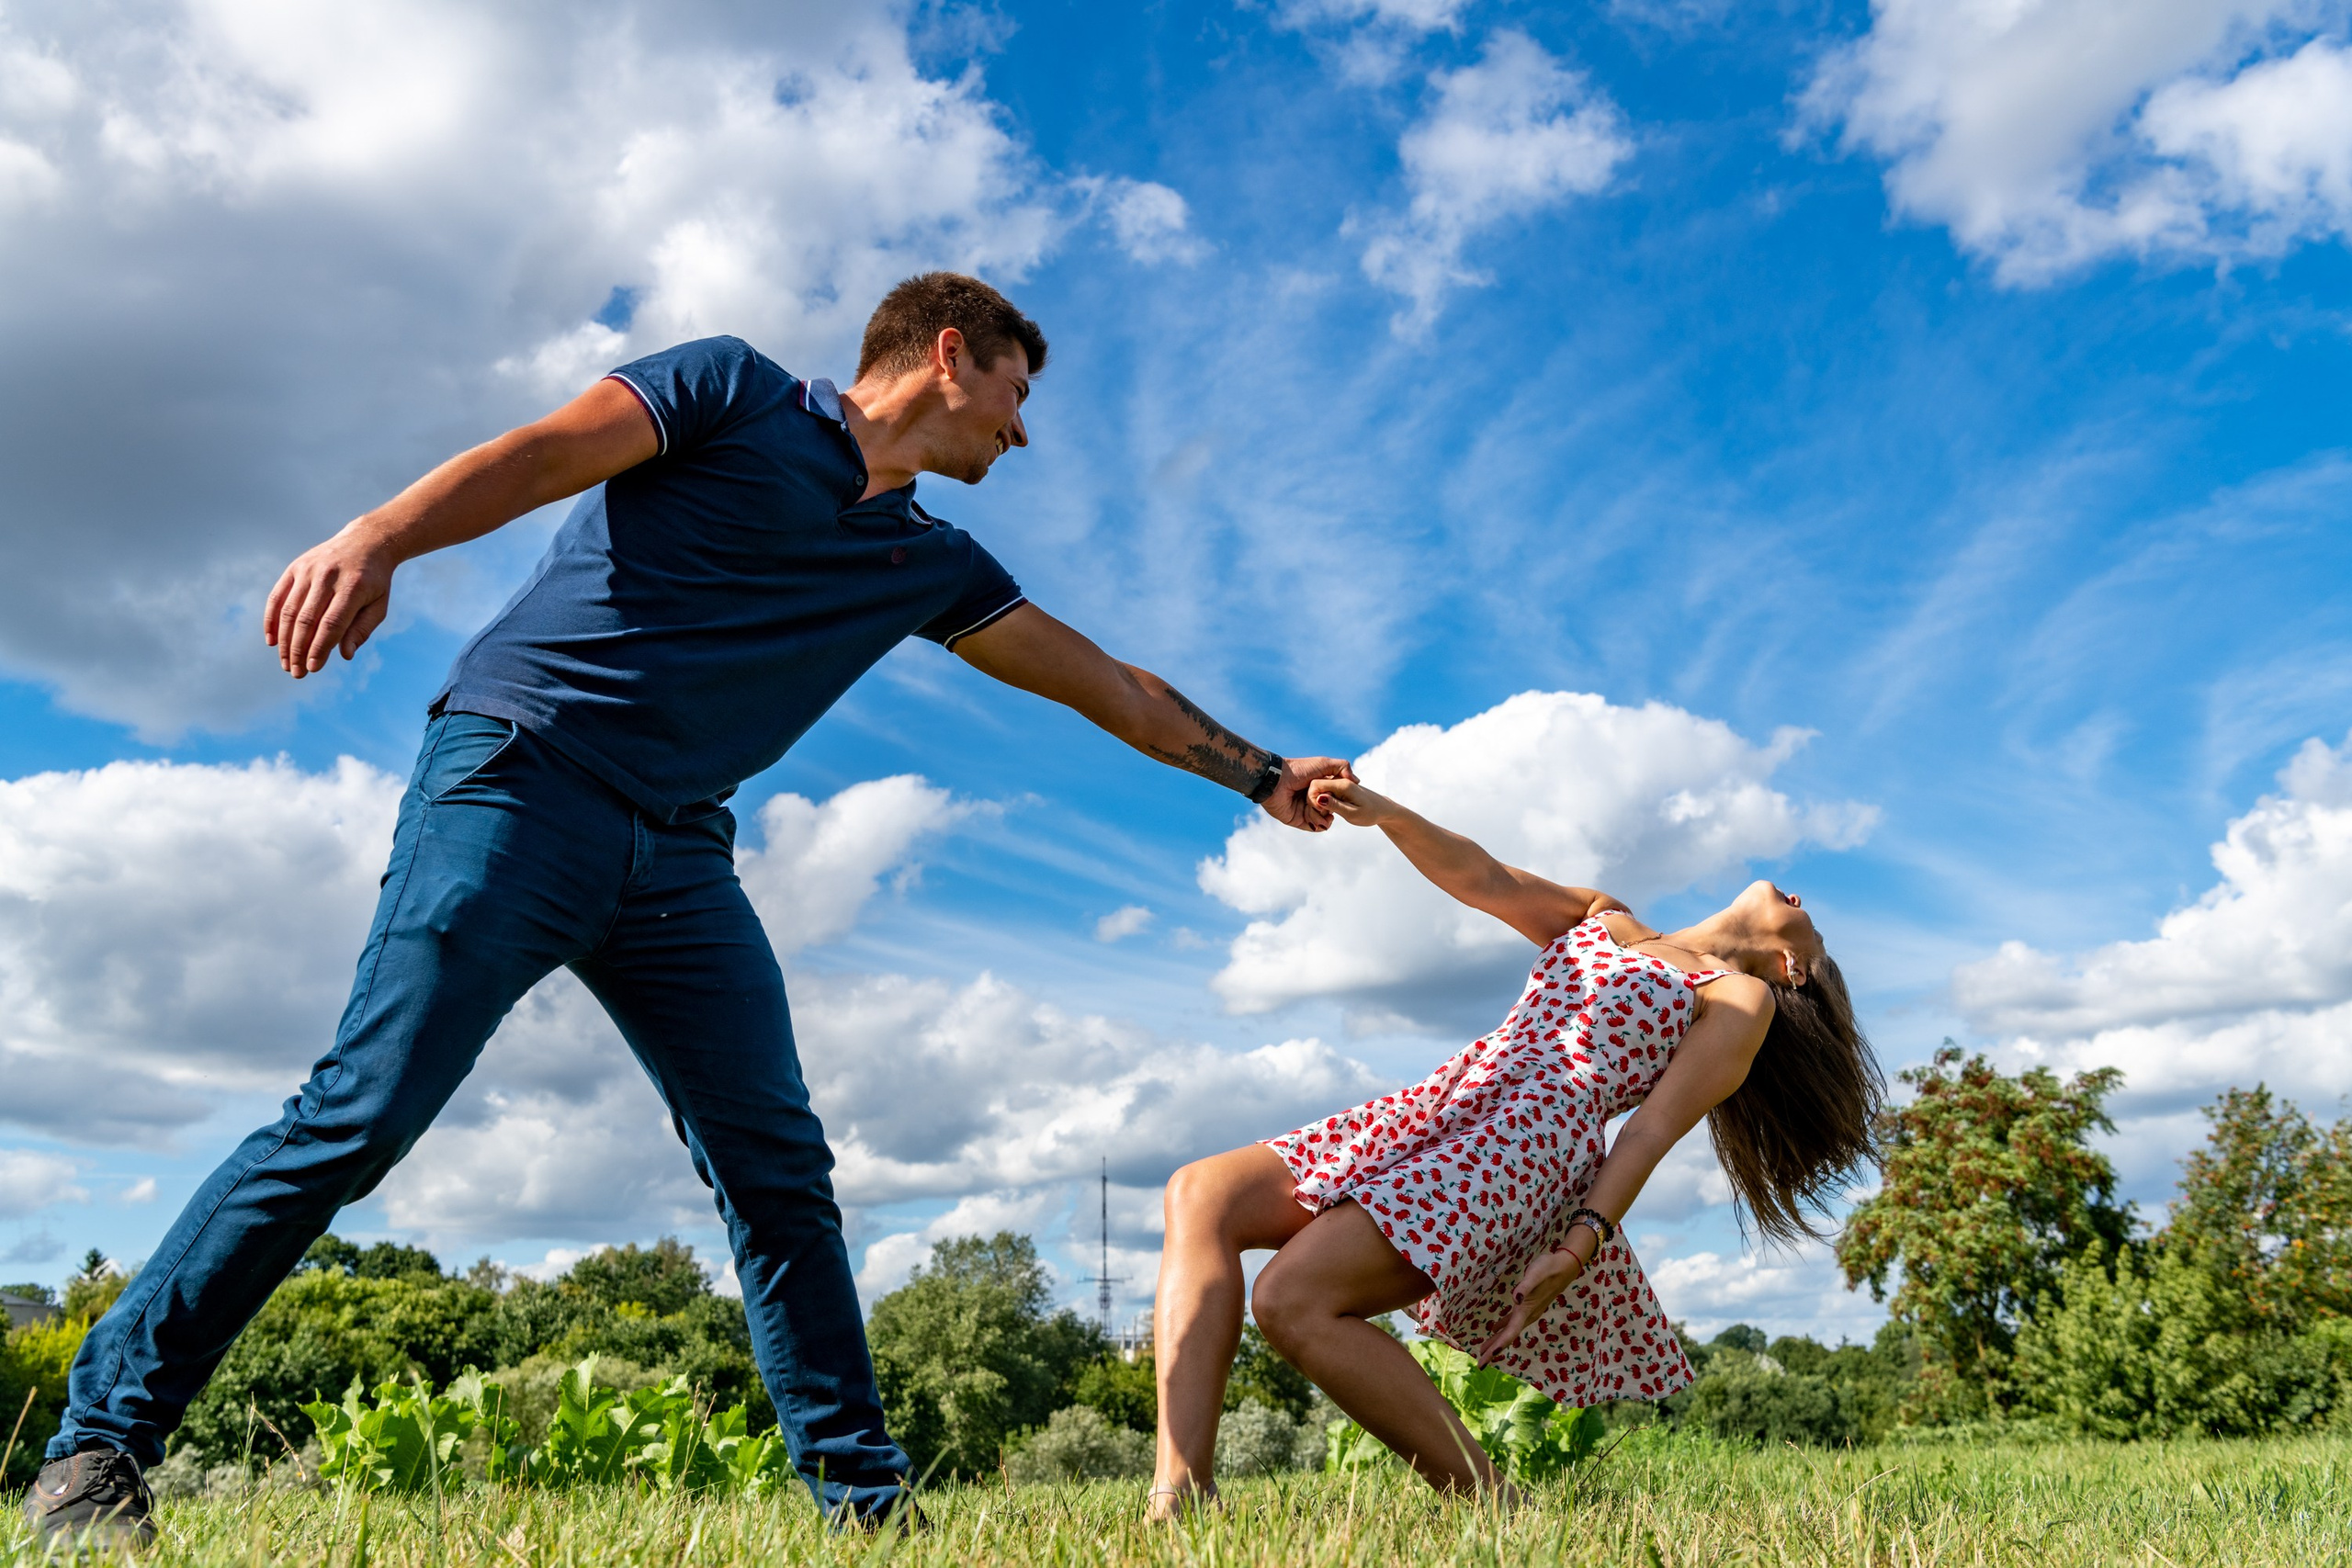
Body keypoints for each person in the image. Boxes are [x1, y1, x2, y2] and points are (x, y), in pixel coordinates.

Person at [26, 273, 1353, 1545]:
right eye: (1016, 390)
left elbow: (1109, 684)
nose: (1023, 428)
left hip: (676, 856)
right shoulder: (731, 391)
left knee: (779, 1169)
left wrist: (1261, 774)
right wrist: (379, 535)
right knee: (359, 1116)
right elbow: (543, 453)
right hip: (522, 777)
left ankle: (864, 1502)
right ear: (949, 352)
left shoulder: (925, 560)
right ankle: (98, 1449)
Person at [1148, 775, 1879, 1514]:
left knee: (1292, 1299)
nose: (1800, 898)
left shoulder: (1736, 997)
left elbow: (1650, 1129)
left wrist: (1578, 1244)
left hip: (1522, 1147)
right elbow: (1484, 878)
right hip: (1452, 1100)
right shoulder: (1604, 915)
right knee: (1201, 1193)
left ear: (1793, 968)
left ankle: (1501, 1509)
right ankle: (1180, 1488)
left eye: (1814, 927)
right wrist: (1389, 814)